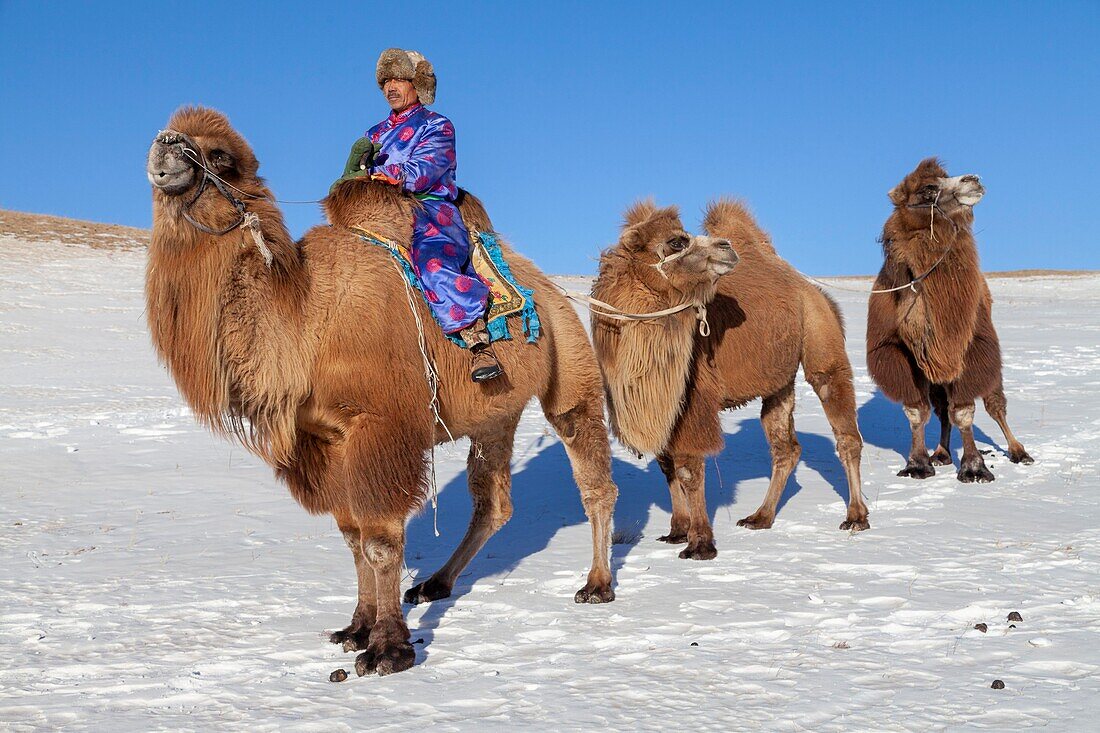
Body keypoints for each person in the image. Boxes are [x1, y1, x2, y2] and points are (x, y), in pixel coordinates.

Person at [339, 48, 503, 383]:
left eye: (399, 79)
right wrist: (350, 175)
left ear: (418, 84)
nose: (391, 87)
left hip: (429, 214)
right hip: (378, 214)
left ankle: (477, 343)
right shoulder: (373, 133)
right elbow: (357, 177)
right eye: (386, 80)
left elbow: (426, 168)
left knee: (432, 264)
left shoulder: (438, 126)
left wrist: (389, 173)